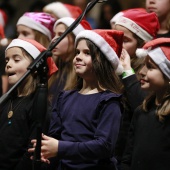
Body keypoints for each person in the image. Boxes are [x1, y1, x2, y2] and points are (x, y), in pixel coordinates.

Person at [28, 29, 125, 170]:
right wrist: (46, 150)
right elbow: (56, 136)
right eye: (77, 52)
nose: (78, 57)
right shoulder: (65, 97)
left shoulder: (109, 101)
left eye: (87, 53)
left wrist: (60, 148)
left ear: (103, 61)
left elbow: (104, 146)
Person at [0, 38, 57, 170]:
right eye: (7, 60)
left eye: (16, 59)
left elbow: (32, 149)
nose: (8, 64)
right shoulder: (7, 100)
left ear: (35, 67)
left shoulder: (38, 103)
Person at [121, 37, 170, 170]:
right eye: (143, 65)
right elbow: (127, 157)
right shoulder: (141, 111)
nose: (141, 72)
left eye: (150, 67)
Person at [48, 17, 92, 106]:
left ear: (75, 40)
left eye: (60, 35)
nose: (53, 40)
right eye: (54, 35)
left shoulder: (81, 75)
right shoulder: (55, 69)